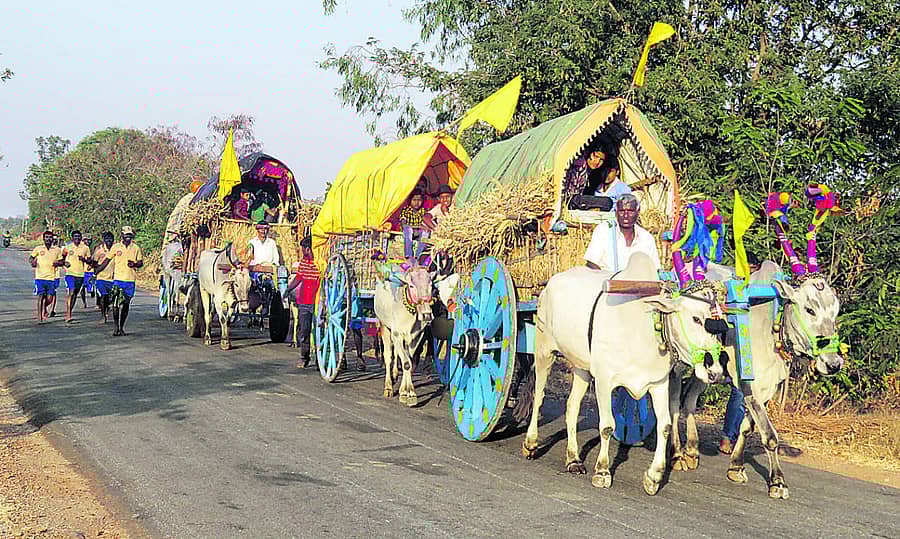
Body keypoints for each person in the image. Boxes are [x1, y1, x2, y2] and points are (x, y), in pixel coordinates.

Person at [584, 193, 660, 272]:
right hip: (607, 278)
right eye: (622, 211)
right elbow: (591, 263)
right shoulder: (604, 231)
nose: (626, 216)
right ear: (616, 212)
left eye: (630, 212)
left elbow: (655, 268)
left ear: (638, 212)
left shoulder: (646, 238)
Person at [94, 226, 144, 336]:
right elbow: (107, 260)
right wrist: (97, 271)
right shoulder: (116, 247)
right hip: (118, 280)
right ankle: (116, 327)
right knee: (116, 304)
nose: (128, 238)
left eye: (130, 236)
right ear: (122, 236)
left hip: (130, 280)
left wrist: (135, 264)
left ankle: (121, 327)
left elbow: (141, 263)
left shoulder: (136, 248)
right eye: (126, 235)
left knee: (126, 304)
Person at [285, 236, 319, 368]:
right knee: (304, 331)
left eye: (303, 248)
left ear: (308, 249)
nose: (302, 251)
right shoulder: (303, 262)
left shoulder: (319, 263)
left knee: (318, 332)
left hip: (317, 302)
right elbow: (299, 277)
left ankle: (319, 359)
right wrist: (288, 289)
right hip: (304, 301)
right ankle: (305, 357)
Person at [30, 231, 65, 323]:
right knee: (41, 296)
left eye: (50, 237)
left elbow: (62, 261)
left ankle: (43, 307)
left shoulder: (57, 250)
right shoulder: (38, 249)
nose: (48, 239)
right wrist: (33, 262)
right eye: (46, 237)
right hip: (40, 277)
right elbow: (31, 258)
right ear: (43, 238)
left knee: (49, 298)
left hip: (51, 277)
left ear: (53, 239)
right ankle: (39, 318)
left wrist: (58, 263)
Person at [248, 221, 282, 316]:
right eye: (261, 229)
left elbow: (276, 259)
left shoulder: (272, 243)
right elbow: (249, 258)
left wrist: (271, 266)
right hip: (255, 270)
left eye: (266, 229)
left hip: (268, 270)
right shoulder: (252, 242)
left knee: (269, 284)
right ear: (257, 230)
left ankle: (266, 304)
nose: (263, 231)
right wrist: (256, 266)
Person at [62, 230, 91, 323]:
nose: (77, 238)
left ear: (81, 238)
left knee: (75, 294)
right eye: (75, 236)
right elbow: (62, 257)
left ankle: (70, 311)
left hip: (80, 274)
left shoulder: (85, 248)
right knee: (71, 291)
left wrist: (84, 260)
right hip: (70, 273)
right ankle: (68, 315)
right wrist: (64, 263)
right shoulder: (68, 247)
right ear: (72, 238)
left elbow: (90, 261)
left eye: (79, 236)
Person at [91, 231, 116, 323]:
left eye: (110, 239)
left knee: (111, 298)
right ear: (104, 240)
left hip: (113, 278)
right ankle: (103, 315)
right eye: (107, 239)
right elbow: (94, 263)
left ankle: (107, 308)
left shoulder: (116, 250)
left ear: (113, 240)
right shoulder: (99, 251)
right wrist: (96, 272)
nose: (109, 240)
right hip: (101, 278)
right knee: (103, 296)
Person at [400, 190, 429, 262]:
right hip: (408, 233)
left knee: (426, 232)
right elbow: (404, 224)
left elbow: (425, 223)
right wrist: (418, 227)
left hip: (418, 233)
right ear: (410, 200)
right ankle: (408, 255)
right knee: (408, 229)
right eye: (414, 200)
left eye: (419, 200)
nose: (417, 203)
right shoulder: (405, 210)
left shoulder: (423, 211)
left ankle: (418, 255)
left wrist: (422, 228)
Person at [81, 235, 95, 308]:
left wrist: (92, 265)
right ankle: (84, 303)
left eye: (89, 240)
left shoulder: (93, 249)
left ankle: (92, 291)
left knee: (91, 288)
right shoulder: (81, 249)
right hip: (82, 271)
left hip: (91, 271)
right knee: (82, 288)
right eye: (86, 240)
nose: (88, 241)